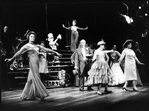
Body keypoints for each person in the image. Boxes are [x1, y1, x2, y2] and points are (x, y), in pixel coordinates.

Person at [5, 31, 61, 101]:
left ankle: (27, 95)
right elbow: (19, 53)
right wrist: (11, 59)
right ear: (28, 37)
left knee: (30, 79)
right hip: (32, 63)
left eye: (34, 37)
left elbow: (46, 50)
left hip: (37, 63)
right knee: (37, 77)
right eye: (31, 36)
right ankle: (41, 95)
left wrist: (55, 52)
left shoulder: (37, 46)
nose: (33, 38)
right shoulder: (26, 46)